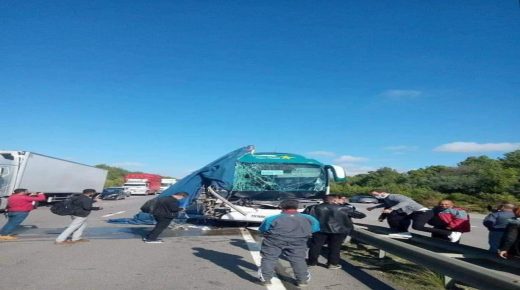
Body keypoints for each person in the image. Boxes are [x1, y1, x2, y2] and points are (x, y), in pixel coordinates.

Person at [258, 199, 319, 287]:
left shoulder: (272, 218)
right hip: (298, 241)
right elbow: (315, 228)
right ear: (297, 207)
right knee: (298, 259)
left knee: (269, 258)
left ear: (281, 207)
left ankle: (265, 279)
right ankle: (302, 280)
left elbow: (263, 229)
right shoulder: (308, 218)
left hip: (274, 240)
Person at [305, 195, 365, 269]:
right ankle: (332, 263)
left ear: (324, 200)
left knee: (316, 245)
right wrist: (347, 205)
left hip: (319, 229)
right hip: (339, 231)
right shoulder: (344, 208)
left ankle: (312, 262)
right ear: (334, 200)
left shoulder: (313, 207)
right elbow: (361, 215)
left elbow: (304, 217)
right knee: (335, 247)